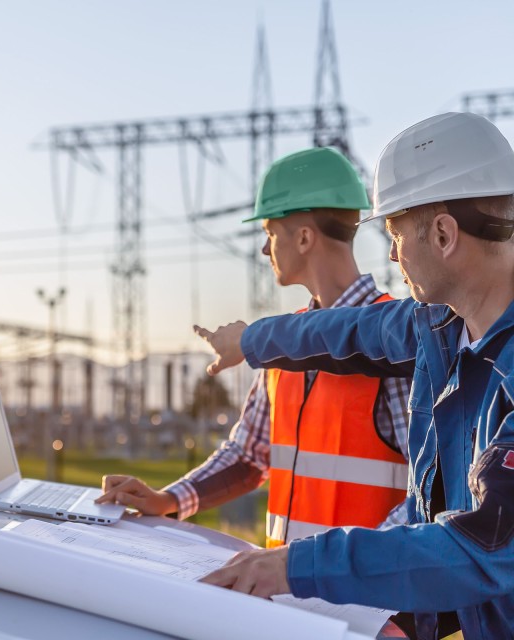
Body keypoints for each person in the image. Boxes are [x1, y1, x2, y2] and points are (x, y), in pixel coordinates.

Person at [197, 112, 514, 640]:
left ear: (442, 234)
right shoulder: (440, 328)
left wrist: (292, 567)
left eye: (394, 233)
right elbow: (340, 332)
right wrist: (249, 342)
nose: (391, 254)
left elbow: (486, 547)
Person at [98, 147, 411, 547]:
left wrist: (355, 572)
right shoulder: (280, 346)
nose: (265, 250)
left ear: (302, 238)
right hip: (286, 593)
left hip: (364, 601)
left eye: (269, 233)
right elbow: (248, 455)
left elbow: (427, 492)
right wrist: (168, 499)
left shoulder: (392, 348)